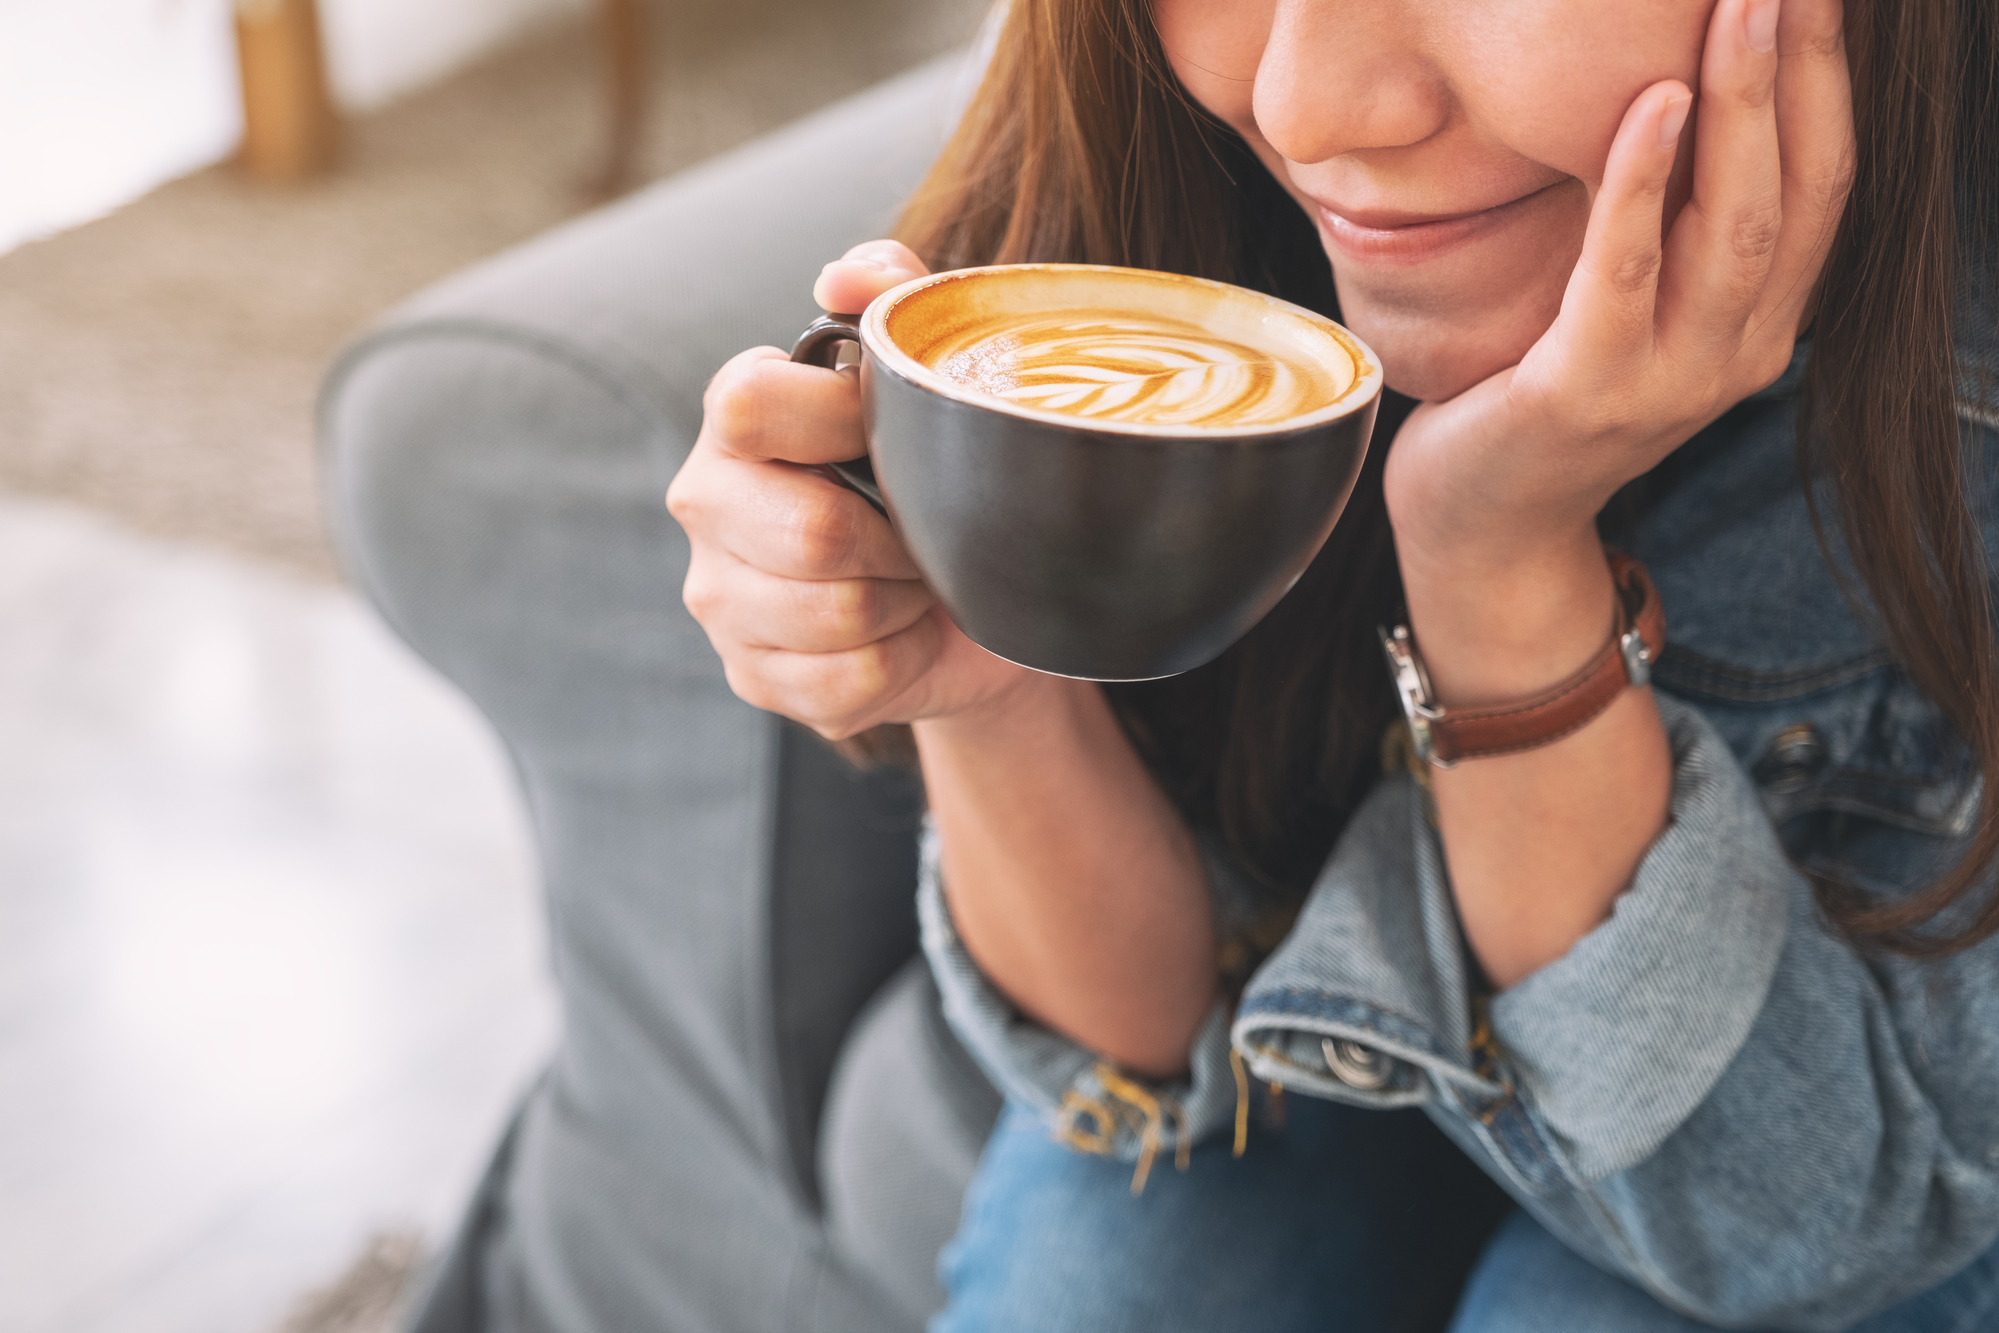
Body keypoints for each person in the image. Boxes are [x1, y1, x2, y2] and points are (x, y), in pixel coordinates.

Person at [665, 0, 1999, 1327]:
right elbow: (1154, 1049)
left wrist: (1497, 562)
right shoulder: (1156, 158)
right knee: (1105, 1274)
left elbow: (1792, 1231)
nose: (1306, 108)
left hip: (1836, 1185)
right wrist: (990, 676)